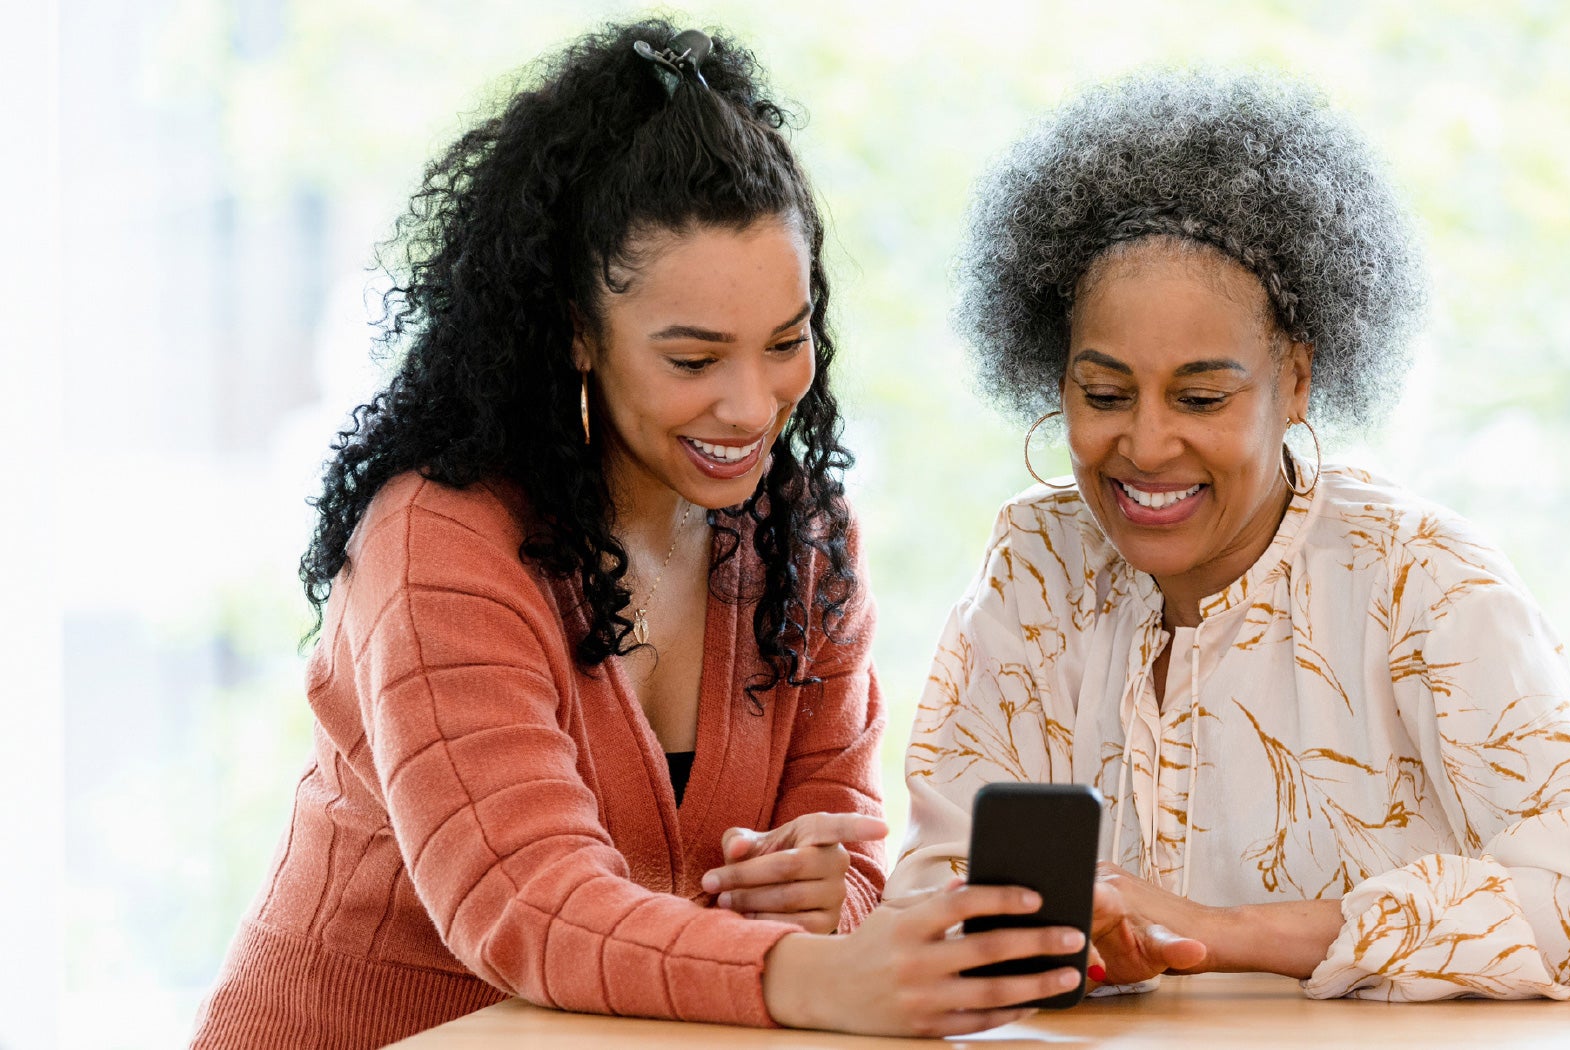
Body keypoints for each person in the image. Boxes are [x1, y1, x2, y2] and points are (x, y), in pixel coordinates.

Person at [190, 21, 1080, 1048]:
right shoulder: (438, 546)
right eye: (694, 361)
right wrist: (809, 968)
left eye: (785, 343)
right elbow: (529, 907)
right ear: (576, 328)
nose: (752, 406)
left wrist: (826, 899)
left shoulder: (804, 545)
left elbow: (852, 857)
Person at [892, 70, 1570, 1002]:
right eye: (1103, 395)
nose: (1145, 445)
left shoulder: (1415, 580)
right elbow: (933, 892)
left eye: (1201, 397)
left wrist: (1223, 934)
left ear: (1297, 382)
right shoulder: (1036, 567)